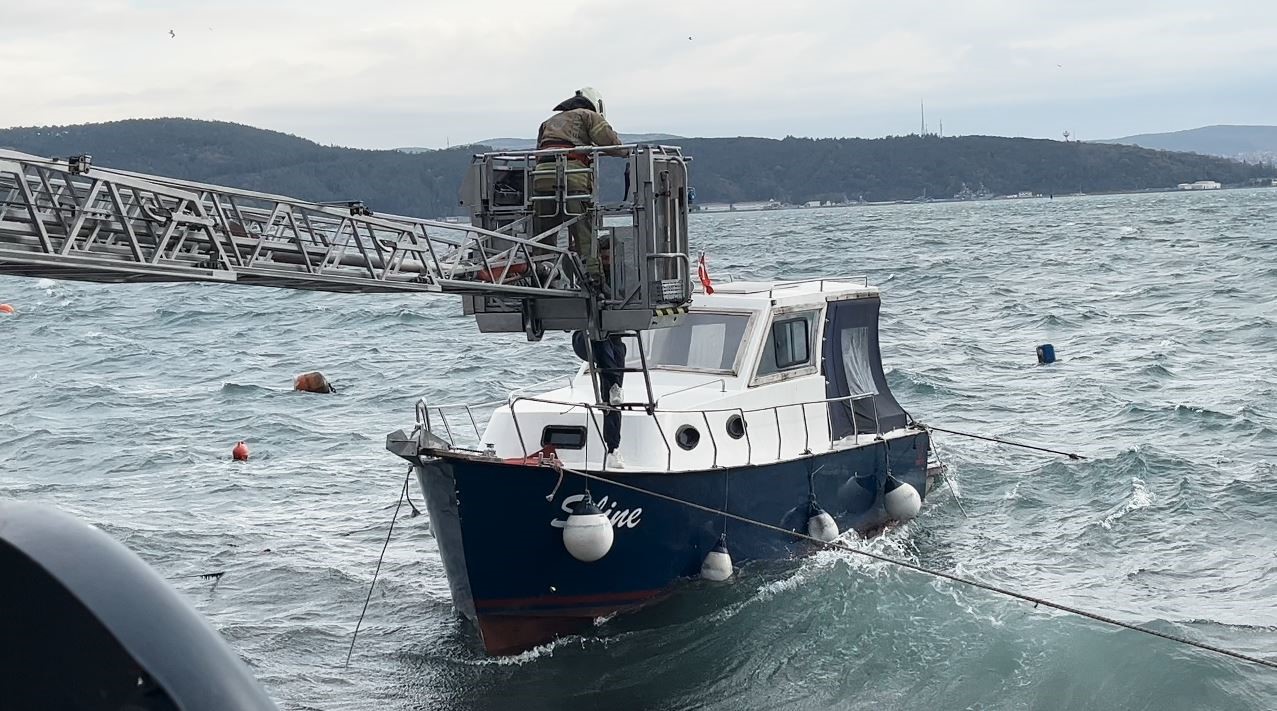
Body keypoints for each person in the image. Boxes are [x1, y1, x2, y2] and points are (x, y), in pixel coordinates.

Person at [531, 87, 625, 289]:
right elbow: (611, 143)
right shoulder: (588, 115)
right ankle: (595, 282)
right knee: (584, 232)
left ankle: (542, 277)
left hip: (541, 178)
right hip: (572, 177)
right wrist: (627, 153)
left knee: (544, 234)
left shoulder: (548, 123)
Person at [572, 330, 628, 469]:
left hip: (612, 340)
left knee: (618, 351)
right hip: (585, 336)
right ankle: (615, 384)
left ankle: (613, 449)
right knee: (602, 343)